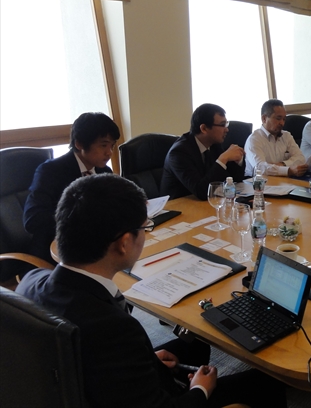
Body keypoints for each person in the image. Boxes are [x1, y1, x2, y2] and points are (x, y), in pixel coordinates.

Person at [17, 174, 286, 408]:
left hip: (91, 383)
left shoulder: (31, 281)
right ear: (124, 243)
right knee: (267, 382)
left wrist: (144, 361)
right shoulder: (115, 329)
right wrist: (200, 390)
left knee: (192, 344)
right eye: (145, 228)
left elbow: (95, 362)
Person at [23, 112, 120, 264]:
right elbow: (33, 219)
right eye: (103, 145)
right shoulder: (51, 171)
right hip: (56, 252)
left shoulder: (104, 172)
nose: (109, 152)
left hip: (94, 247)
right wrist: (83, 221)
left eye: (112, 145)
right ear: (79, 144)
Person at [161, 104, 245, 200]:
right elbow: (201, 191)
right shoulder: (179, 153)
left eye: (226, 124)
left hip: (202, 203)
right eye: (222, 125)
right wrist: (223, 159)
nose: (227, 129)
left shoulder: (214, 144)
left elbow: (235, 179)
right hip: (179, 205)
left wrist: (238, 160)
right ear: (204, 128)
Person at [244, 99, 308, 177]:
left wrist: (282, 164)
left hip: (282, 180)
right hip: (258, 182)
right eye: (278, 118)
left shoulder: (286, 135)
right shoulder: (254, 139)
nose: (282, 123)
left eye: (284, 119)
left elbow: (301, 158)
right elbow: (260, 168)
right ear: (264, 119)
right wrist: (288, 170)